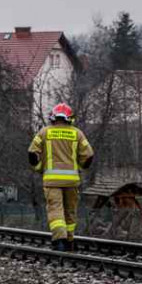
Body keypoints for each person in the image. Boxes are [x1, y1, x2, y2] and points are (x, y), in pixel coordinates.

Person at [28, 102, 94, 251]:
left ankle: (59, 240)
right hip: (72, 182)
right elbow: (89, 155)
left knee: (56, 209)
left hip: (52, 181)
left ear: (53, 117)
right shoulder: (77, 133)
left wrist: (38, 168)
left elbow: (32, 153)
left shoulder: (44, 132)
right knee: (70, 210)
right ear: (69, 118)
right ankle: (70, 241)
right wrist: (82, 168)